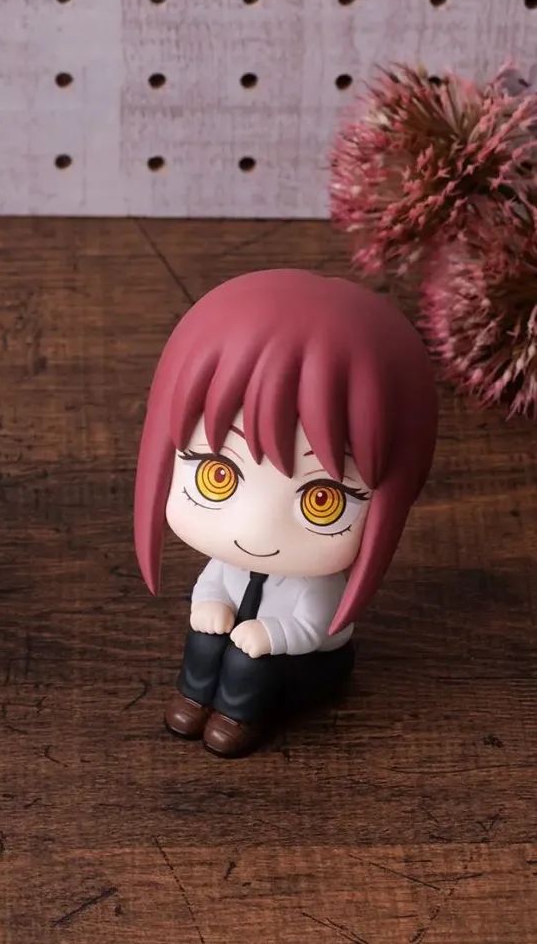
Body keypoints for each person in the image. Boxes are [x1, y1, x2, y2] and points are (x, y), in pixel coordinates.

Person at [134, 269, 438, 758]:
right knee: (206, 638)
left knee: (249, 662)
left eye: (323, 500)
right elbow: (212, 585)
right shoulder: (230, 564)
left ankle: (238, 717)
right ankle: (193, 697)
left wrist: (271, 634)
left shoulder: (317, 586)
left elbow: (313, 628)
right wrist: (209, 605)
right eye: (217, 475)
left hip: (304, 664)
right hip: (243, 642)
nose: (256, 530)